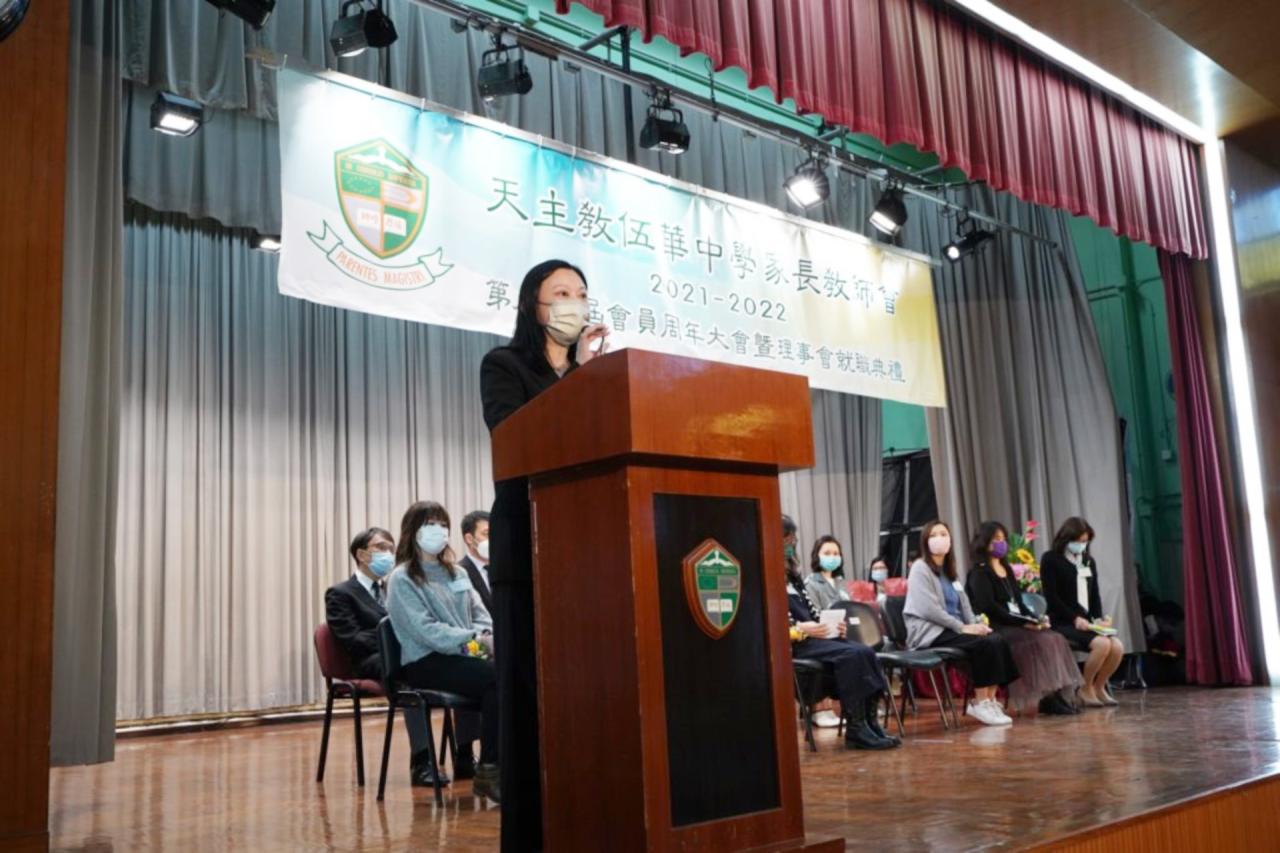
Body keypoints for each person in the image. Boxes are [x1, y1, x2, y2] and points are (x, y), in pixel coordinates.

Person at [480, 260, 609, 852]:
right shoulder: (504, 365)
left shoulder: (591, 377)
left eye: (581, 293)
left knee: (582, 703)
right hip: (526, 553)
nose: (574, 302)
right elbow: (517, 438)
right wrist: (577, 378)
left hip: (585, 558)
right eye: (561, 293)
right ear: (533, 304)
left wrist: (589, 375)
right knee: (529, 702)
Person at [386, 501, 500, 802]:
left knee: (513, 672)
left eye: (443, 524)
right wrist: (477, 643)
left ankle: (503, 762)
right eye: (430, 524)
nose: (439, 530)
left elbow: (481, 616)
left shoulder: (457, 573)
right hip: (426, 661)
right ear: (413, 531)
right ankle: (490, 770)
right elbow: (426, 631)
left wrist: (482, 640)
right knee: (496, 677)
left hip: (463, 654)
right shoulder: (402, 578)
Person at [324, 528, 440, 786]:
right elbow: (353, 640)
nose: (388, 554)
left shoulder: (395, 587)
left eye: (391, 548)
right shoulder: (340, 593)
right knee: (410, 677)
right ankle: (422, 762)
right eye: (381, 548)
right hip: (370, 661)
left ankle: (467, 754)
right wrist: (394, 634)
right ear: (361, 555)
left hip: (405, 654)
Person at [786, 535, 899, 750]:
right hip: (797, 644)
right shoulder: (773, 580)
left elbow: (814, 614)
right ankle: (856, 728)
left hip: (815, 639)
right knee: (852, 655)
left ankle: (869, 723)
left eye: (792, 543)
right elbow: (778, 624)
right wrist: (801, 628)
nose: (789, 548)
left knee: (866, 651)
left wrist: (831, 626)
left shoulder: (795, 580)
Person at [903, 521, 1019, 727]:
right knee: (984, 644)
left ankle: (991, 700)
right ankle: (980, 702)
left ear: (950, 540)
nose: (939, 538)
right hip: (930, 631)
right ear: (925, 542)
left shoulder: (949, 571)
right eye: (933, 535)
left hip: (952, 629)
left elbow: (964, 604)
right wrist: (962, 627)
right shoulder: (920, 568)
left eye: (943, 534)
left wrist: (975, 624)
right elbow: (928, 609)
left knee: (996, 639)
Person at [964, 521, 1083, 716]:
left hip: (1015, 623)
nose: (1002, 543)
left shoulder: (1006, 568)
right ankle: (1047, 698)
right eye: (996, 539)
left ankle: (1054, 695)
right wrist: (1023, 622)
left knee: (1054, 637)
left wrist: (1036, 619)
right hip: (997, 626)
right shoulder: (978, 573)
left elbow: (1019, 603)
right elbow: (990, 607)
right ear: (984, 542)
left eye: (1003, 539)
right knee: (1038, 642)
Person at [1041, 517, 1126, 707]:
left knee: (1117, 646)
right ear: (1066, 538)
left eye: (1085, 541)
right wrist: (1074, 618)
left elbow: (1094, 594)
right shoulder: (1051, 559)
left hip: (1086, 622)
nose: (1082, 545)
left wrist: (1099, 619)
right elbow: (1052, 597)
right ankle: (1085, 688)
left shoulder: (1088, 561)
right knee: (1102, 645)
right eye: (1079, 541)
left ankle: (1099, 686)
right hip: (1062, 621)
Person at [804, 535, 851, 612]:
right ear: (816, 556)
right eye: (827, 553)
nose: (832, 557)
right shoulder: (811, 583)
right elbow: (815, 615)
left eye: (836, 554)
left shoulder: (841, 582)